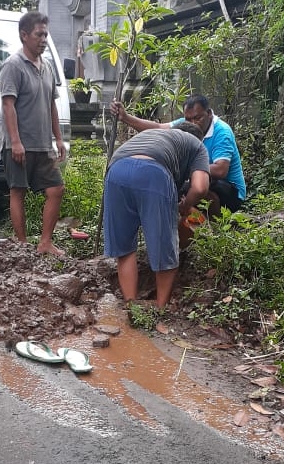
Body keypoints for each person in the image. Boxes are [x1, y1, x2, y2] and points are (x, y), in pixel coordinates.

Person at [103, 125, 210, 308]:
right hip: (153, 172)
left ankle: (131, 305)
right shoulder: (197, 146)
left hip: (116, 172)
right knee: (165, 247)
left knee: (125, 250)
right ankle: (161, 308)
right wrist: (185, 206)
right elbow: (200, 188)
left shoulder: (156, 135)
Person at [111, 93, 246, 215]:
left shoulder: (222, 131)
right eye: (188, 119)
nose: (193, 123)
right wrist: (125, 117)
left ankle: (216, 224)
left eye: (197, 118)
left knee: (200, 183)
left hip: (229, 191)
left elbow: (221, 170)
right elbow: (158, 128)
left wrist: (191, 170)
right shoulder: (185, 124)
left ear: (209, 113)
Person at [0, 11, 66, 256]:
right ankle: (21, 245)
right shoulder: (12, 66)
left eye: (46, 34)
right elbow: (8, 105)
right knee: (18, 191)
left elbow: (51, 104)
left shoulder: (47, 67)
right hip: (18, 144)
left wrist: (58, 138)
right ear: (24, 35)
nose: (44, 39)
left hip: (42, 144)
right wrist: (15, 142)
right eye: (39, 34)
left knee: (56, 189)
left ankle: (45, 243)